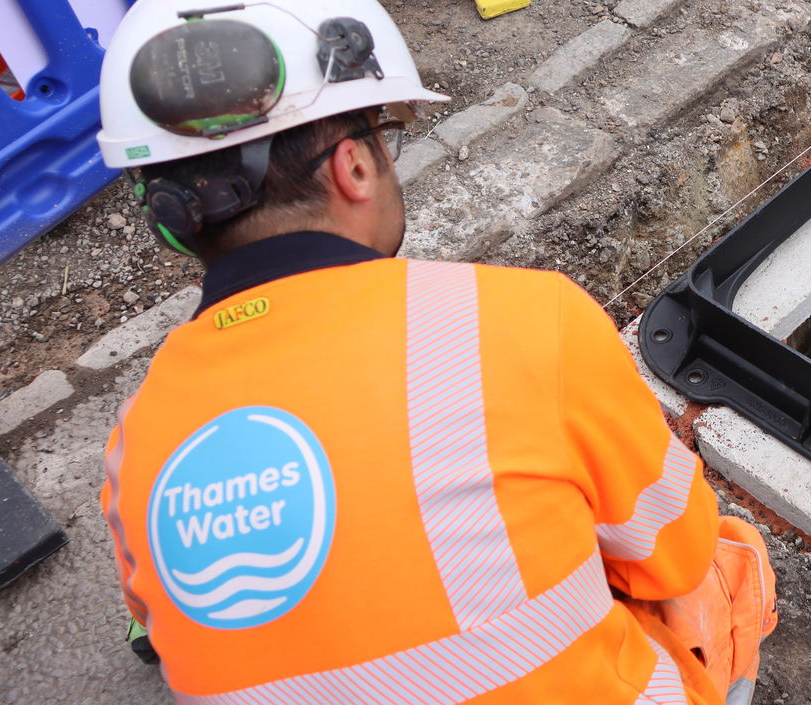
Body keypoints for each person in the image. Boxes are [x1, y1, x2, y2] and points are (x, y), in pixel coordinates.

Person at [95, 2, 776, 703]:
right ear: (354, 166)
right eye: (383, 135)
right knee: (721, 559)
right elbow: (672, 551)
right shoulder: (525, 321)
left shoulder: (134, 442)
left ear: (172, 226)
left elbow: (153, 617)